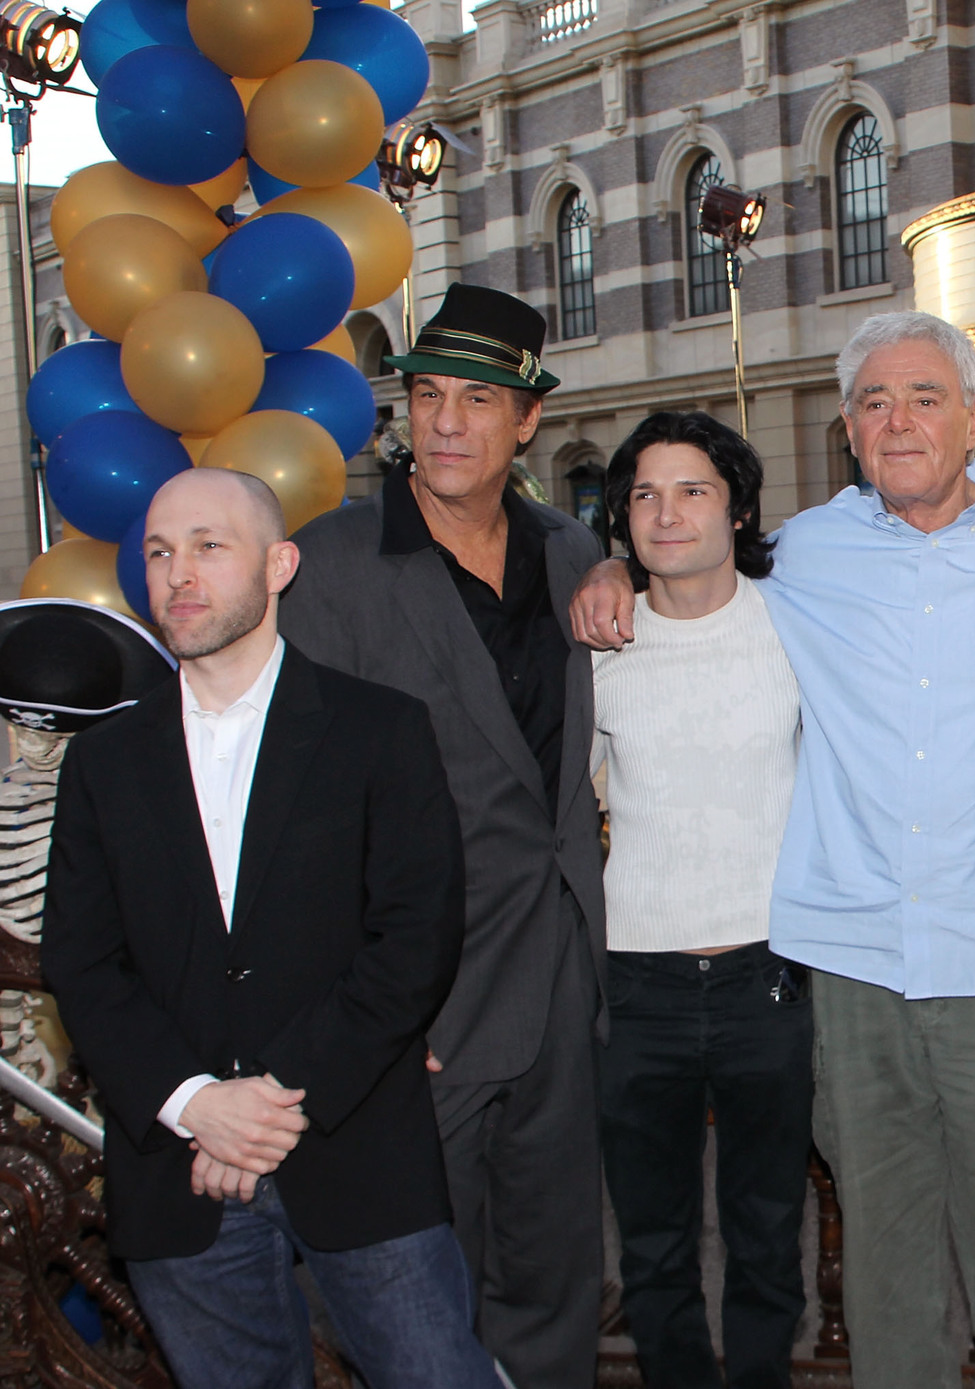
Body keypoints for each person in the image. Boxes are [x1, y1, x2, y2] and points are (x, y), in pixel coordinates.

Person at [571, 311, 975, 1389]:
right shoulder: (804, 553)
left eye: (923, 397)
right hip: (847, 969)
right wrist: (608, 571)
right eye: (873, 404)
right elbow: (679, 574)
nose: (897, 422)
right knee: (883, 1257)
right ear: (848, 427)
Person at [43, 468, 498, 1389]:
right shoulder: (103, 759)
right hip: (176, 1169)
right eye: (161, 551)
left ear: (279, 563)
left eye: (210, 546)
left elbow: (416, 938)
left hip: (357, 1150)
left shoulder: (380, 728)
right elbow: (83, 963)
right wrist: (195, 1106)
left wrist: (274, 1096)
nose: (179, 573)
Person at [280, 283, 608, 1388]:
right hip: (421, 992)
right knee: (419, 1285)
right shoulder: (326, 565)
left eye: (480, 398)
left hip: (560, 972)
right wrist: (357, 997)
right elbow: (295, 806)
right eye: (429, 396)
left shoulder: (573, 554)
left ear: (527, 423)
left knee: (556, 1268)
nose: (450, 421)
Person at [591, 411, 811, 1389]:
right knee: (651, 1238)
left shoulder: (793, 625)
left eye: (691, 490)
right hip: (635, 982)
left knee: (768, 1229)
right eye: (644, 494)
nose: (666, 513)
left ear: (737, 507)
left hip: (772, 973)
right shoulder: (596, 645)